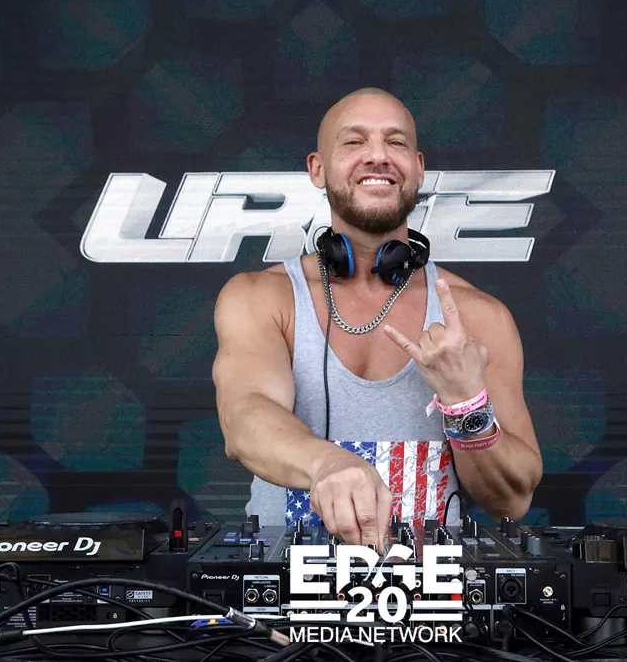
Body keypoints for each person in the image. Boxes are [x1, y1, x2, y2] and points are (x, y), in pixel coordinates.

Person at [212, 88, 542, 549]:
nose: (378, 156)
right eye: (354, 142)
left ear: (419, 168)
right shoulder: (263, 297)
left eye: (396, 142)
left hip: (430, 591)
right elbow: (245, 418)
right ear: (317, 169)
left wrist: (466, 404)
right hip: (285, 586)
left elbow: (513, 499)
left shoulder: (478, 316)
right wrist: (327, 463)